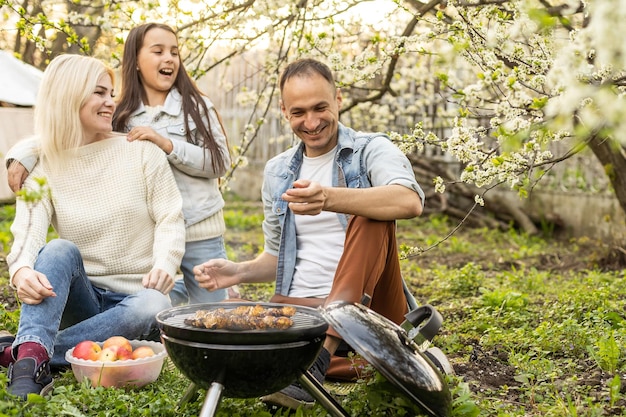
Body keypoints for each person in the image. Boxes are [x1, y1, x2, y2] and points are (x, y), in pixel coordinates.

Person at [192, 58, 425, 409]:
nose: (312, 122)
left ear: (339, 99)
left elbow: (409, 201)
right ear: (284, 111)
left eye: (320, 108)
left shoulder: (370, 149)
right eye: (299, 112)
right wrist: (239, 271)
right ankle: (337, 363)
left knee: (371, 212)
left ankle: (318, 361)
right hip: (299, 311)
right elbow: (277, 257)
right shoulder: (277, 172)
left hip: (370, 311)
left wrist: (330, 198)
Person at [6, 23, 235, 306]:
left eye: (175, 52)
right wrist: (25, 153)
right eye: (158, 51)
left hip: (200, 228)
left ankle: (202, 294)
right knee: (158, 297)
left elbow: (220, 161)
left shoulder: (195, 106)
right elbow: (71, 132)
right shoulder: (122, 113)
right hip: (153, 233)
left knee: (211, 316)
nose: (169, 59)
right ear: (135, 60)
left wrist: (167, 144)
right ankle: (175, 293)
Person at [1, 54, 185, 399]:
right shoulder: (44, 164)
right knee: (58, 249)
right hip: (80, 300)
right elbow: (28, 230)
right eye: (99, 93)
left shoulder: (141, 152)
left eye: (111, 93)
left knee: (154, 303)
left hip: (135, 302)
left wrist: (165, 263)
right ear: (71, 96)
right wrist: (21, 270)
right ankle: (33, 359)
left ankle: (28, 353)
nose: (111, 102)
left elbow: (170, 218)